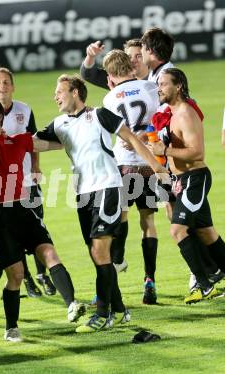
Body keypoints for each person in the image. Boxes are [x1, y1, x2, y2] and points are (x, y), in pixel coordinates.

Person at [0, 98, 86, 342]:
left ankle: (72, 304)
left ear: (0, 117)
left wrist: (78, 128)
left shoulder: (20, 141)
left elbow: (52, 144)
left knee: (49, 254)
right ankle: (11, 328)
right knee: (16, 275)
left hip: (24, 209)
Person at [35, 74, 168, 332]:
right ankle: (119, 311)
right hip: (83, 194)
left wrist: (156, 166)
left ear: (75, 92)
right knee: (97, 254)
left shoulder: (99, 115)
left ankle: (103, 313)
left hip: (108, 187)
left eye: (60, 91)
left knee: (100, 251)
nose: (55, 96)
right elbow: (32, 143)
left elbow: (131, 138)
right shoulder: (59, 124)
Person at [148, 68, 225, 304]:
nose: (158, 88)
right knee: (206, 233)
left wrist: (165, 150)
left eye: (163, 84)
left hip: (194, 177)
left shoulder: (185, 113)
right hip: (184, 180)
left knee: (178, 230)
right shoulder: (172, 114)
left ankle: (204, 285)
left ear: (178, 86)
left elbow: (197, 152)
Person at [0, 67, 56, 298]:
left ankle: (42, 274)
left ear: (13, 86)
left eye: (6, 82)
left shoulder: (24, 110)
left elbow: (33, 141)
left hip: (26, 180)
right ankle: (26, 279)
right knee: (13, 234)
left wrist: (35, 166)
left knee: (38, 227)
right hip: (2, 188)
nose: (2, 86)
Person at [102, 49, 161, 304]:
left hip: (124, 163)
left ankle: (117, 261)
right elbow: (159, 122)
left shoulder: (109, 98)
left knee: (122, 216)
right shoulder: (150, 87)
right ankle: (150, 279)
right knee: (148, 221)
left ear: (111, 74)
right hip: (149, 162)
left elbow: (114, 133)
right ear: (130, 65)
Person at [80, 38, 149, 90]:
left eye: (139, 56)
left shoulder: (157, 79)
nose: (132, 60)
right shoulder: (117, 78)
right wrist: (90, 56)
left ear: (148, 57)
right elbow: (88, 74)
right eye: (129, 57)